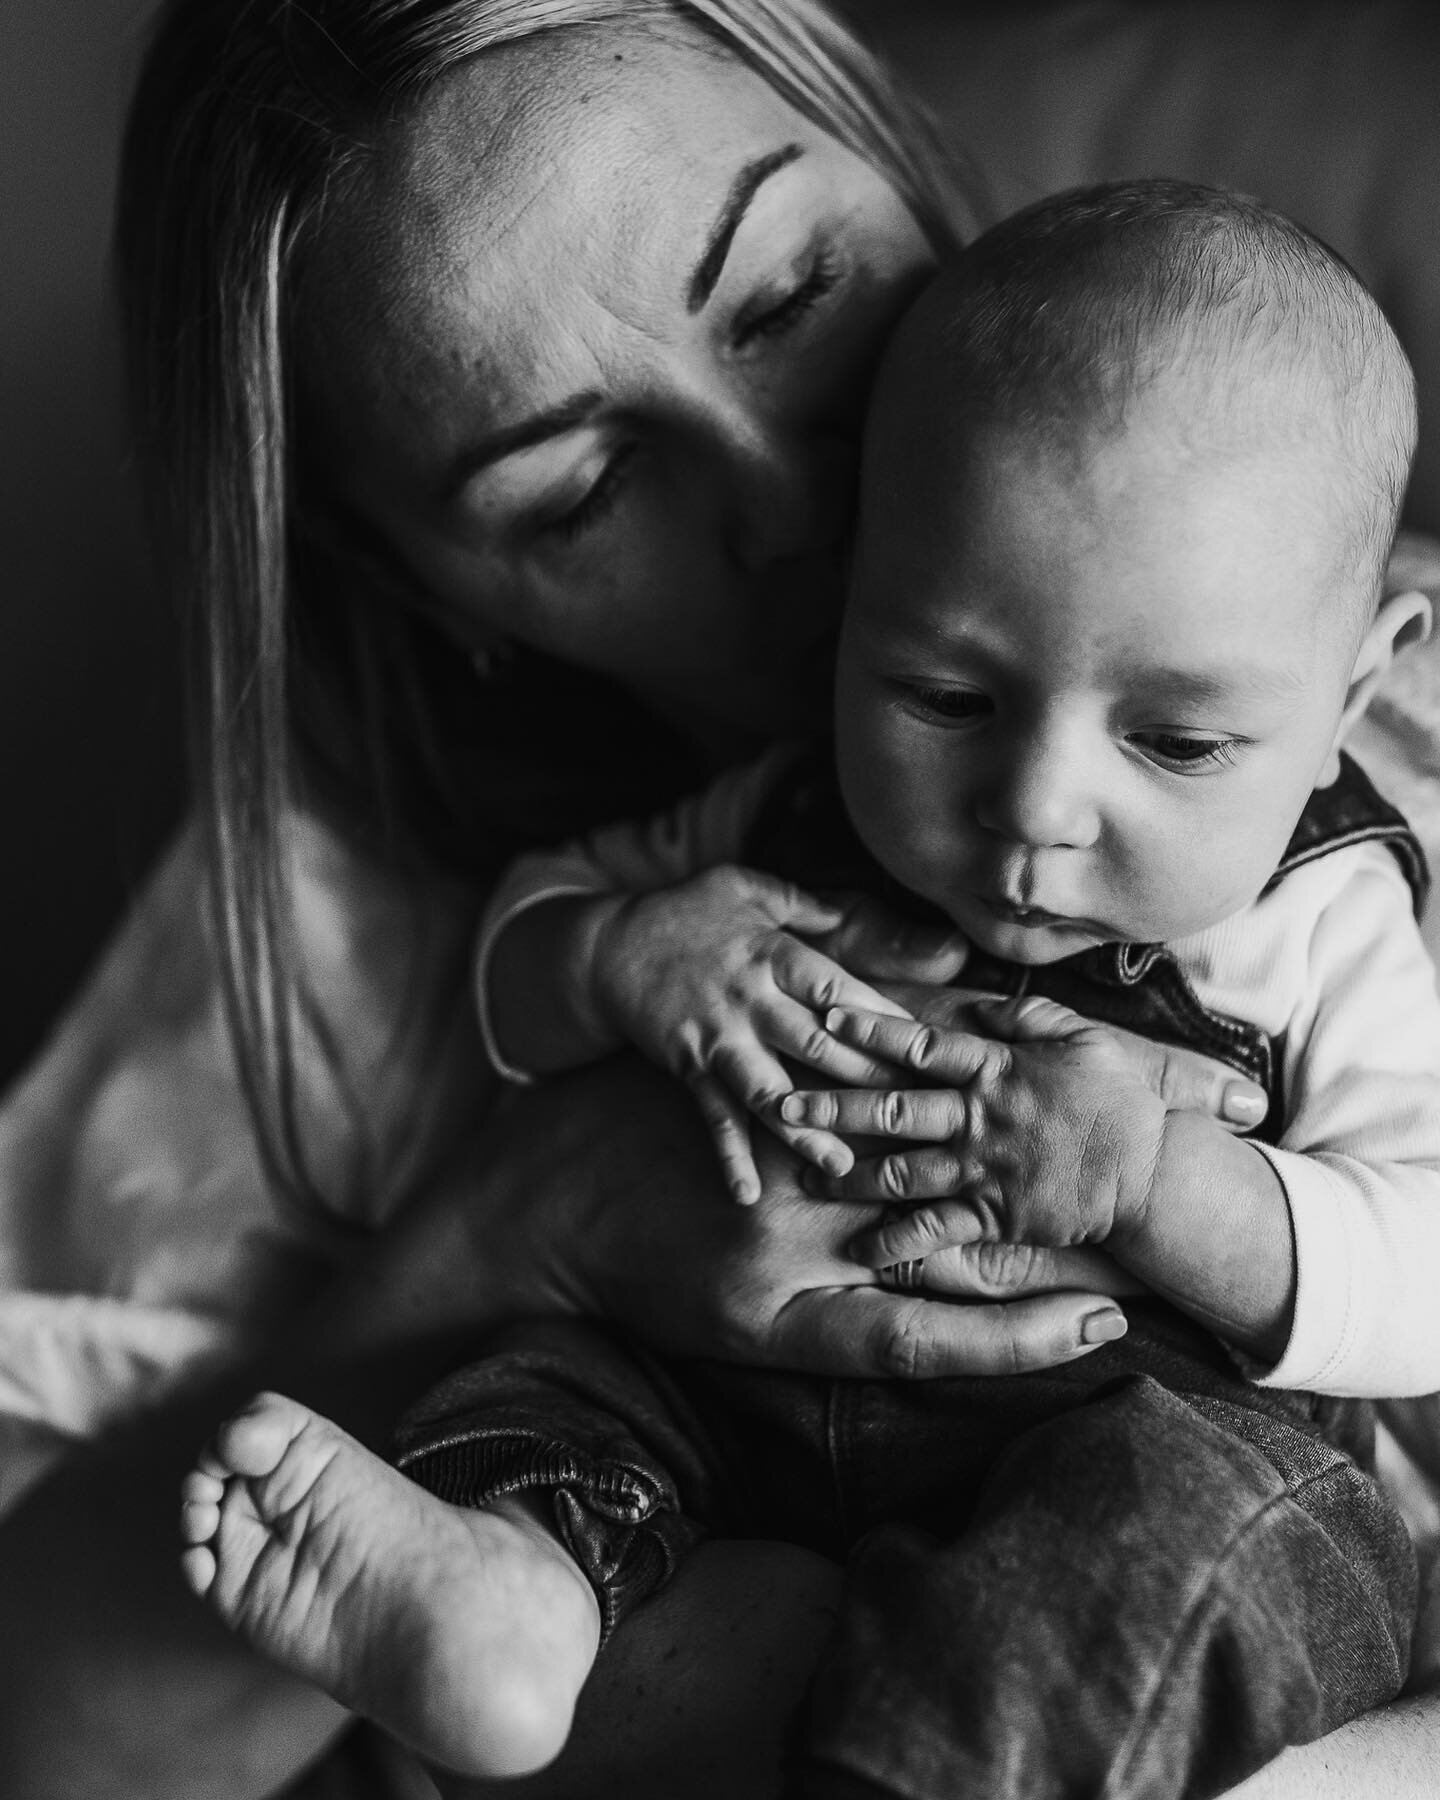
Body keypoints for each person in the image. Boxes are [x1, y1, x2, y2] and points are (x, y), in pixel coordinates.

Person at [2, 2, 1438, 1796]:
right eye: (585, 488)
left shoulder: (1326, 688)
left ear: (876, 133)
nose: (787, 497)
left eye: (789, 298)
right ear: (433, 590)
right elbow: (44, 1730)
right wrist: (535, 1220)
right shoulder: (338, 933)